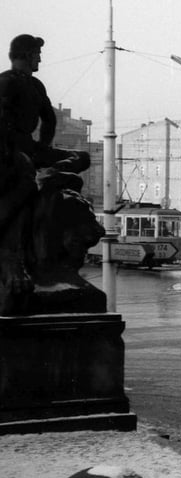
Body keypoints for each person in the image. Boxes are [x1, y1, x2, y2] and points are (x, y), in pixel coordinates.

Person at [1, 34, 95, 314]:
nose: (40, 59)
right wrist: (11, 150)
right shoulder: (6, 82)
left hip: (31, 148)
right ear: (26, 54)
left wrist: (44, 148)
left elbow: (49, 119)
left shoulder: (35, 85)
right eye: (37, 54)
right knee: (24, 177)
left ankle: (49, 173)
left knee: (82, 157)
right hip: (9, 148)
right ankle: (10, 249)